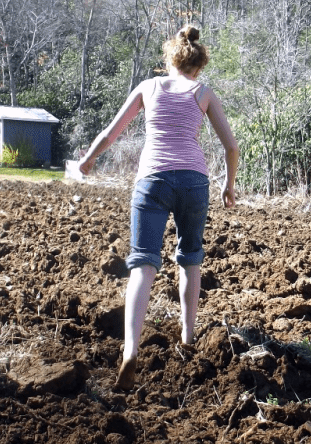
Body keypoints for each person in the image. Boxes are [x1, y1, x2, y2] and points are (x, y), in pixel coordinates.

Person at [77, 25, 239, 390]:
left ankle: (130, 351)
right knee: (190, 258)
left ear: (169, 59)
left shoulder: (148, 87)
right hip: (194, 183)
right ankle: (187, 337)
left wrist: (88, 160)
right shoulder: (203, 92)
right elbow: (231, 146)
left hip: (152, 180)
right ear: (198, 66)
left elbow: (110, 133)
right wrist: (229, 186)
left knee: (143, 264)